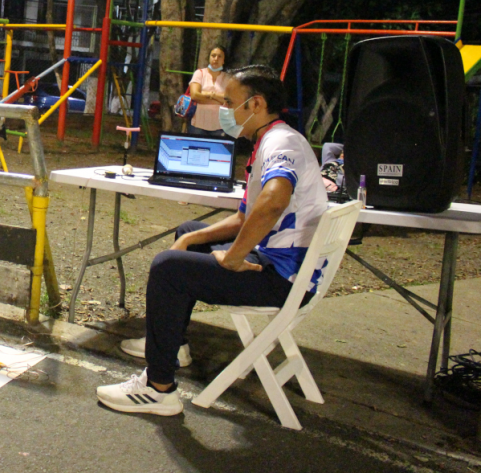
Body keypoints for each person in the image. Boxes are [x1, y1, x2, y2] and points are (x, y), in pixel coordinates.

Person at [96, 65, 328, 415]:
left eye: (230, 102)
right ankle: (174, 346)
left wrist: (234, 257)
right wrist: (191, 239)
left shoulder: (281, 142)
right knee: (189, 234)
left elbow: (273, 202)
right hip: (285, 268)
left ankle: (158, 388)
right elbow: (244, 217)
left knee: (167, 269)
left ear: (256, 104)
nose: (224, 109)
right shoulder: (271, 139)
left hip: (282, 279)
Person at [186, 45, 228, 137]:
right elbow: (195, 95)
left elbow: (228, 100)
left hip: (219, 126)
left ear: (223, 60)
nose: (216, 59)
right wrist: (218, 99)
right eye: (213, 55)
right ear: (209, 57)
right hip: (198, 124)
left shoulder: (228, 78)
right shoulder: (200, 73)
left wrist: (207, 94)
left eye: (219, 56)